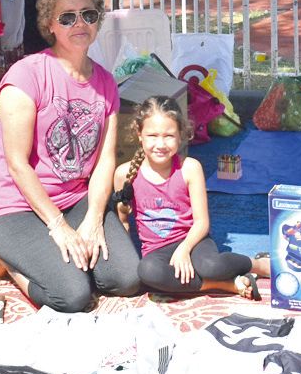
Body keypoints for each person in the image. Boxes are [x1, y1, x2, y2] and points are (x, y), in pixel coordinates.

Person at [0, 0, 140, 312]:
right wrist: (59, 227)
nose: (79, 23)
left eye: (88, 14)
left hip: (75, 198)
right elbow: (17, 164)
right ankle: (3, 261)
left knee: (125, 278)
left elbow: (104, 162)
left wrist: (94, 218)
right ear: (50, 25)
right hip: (17, 205)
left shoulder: (106, 83)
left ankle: (60, 258)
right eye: (67, 17)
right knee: (72, 295)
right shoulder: (26, 76)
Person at [113, 96, 267, 298]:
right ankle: (225, 285)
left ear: (181, 135)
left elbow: (202, 222)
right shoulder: (124, 174)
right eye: (152, 135)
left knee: (211, 266)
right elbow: (122, 223)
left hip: (194, 240)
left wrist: (184, 249)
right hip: (157, 251)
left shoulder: (190, 168)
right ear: (139, 134)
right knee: (147, 272)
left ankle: (257, 264)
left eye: (169, 135)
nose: (160, 144)